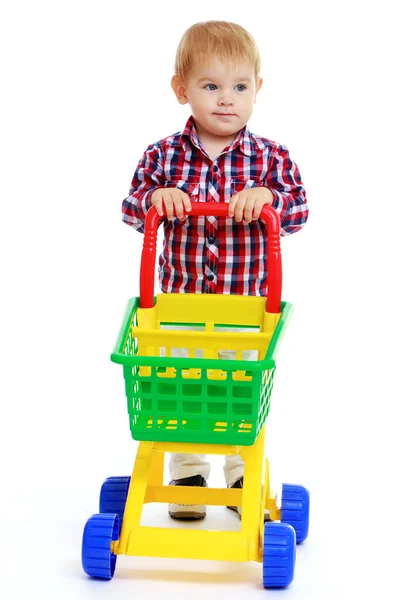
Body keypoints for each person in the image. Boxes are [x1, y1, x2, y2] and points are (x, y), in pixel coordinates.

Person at [122, 21, 308, 520]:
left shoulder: (270, 158)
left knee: (236, 388)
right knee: (180, 382)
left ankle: (238, 471)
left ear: (257, 90)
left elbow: (298, 212)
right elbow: (132, 207)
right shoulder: (163, 155)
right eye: (210, 86)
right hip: (179, 305)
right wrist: (155, 198)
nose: (227, 99)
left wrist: (268, 197)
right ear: (181, 90)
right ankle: (186, 472)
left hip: (244, 310)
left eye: (239, 87)